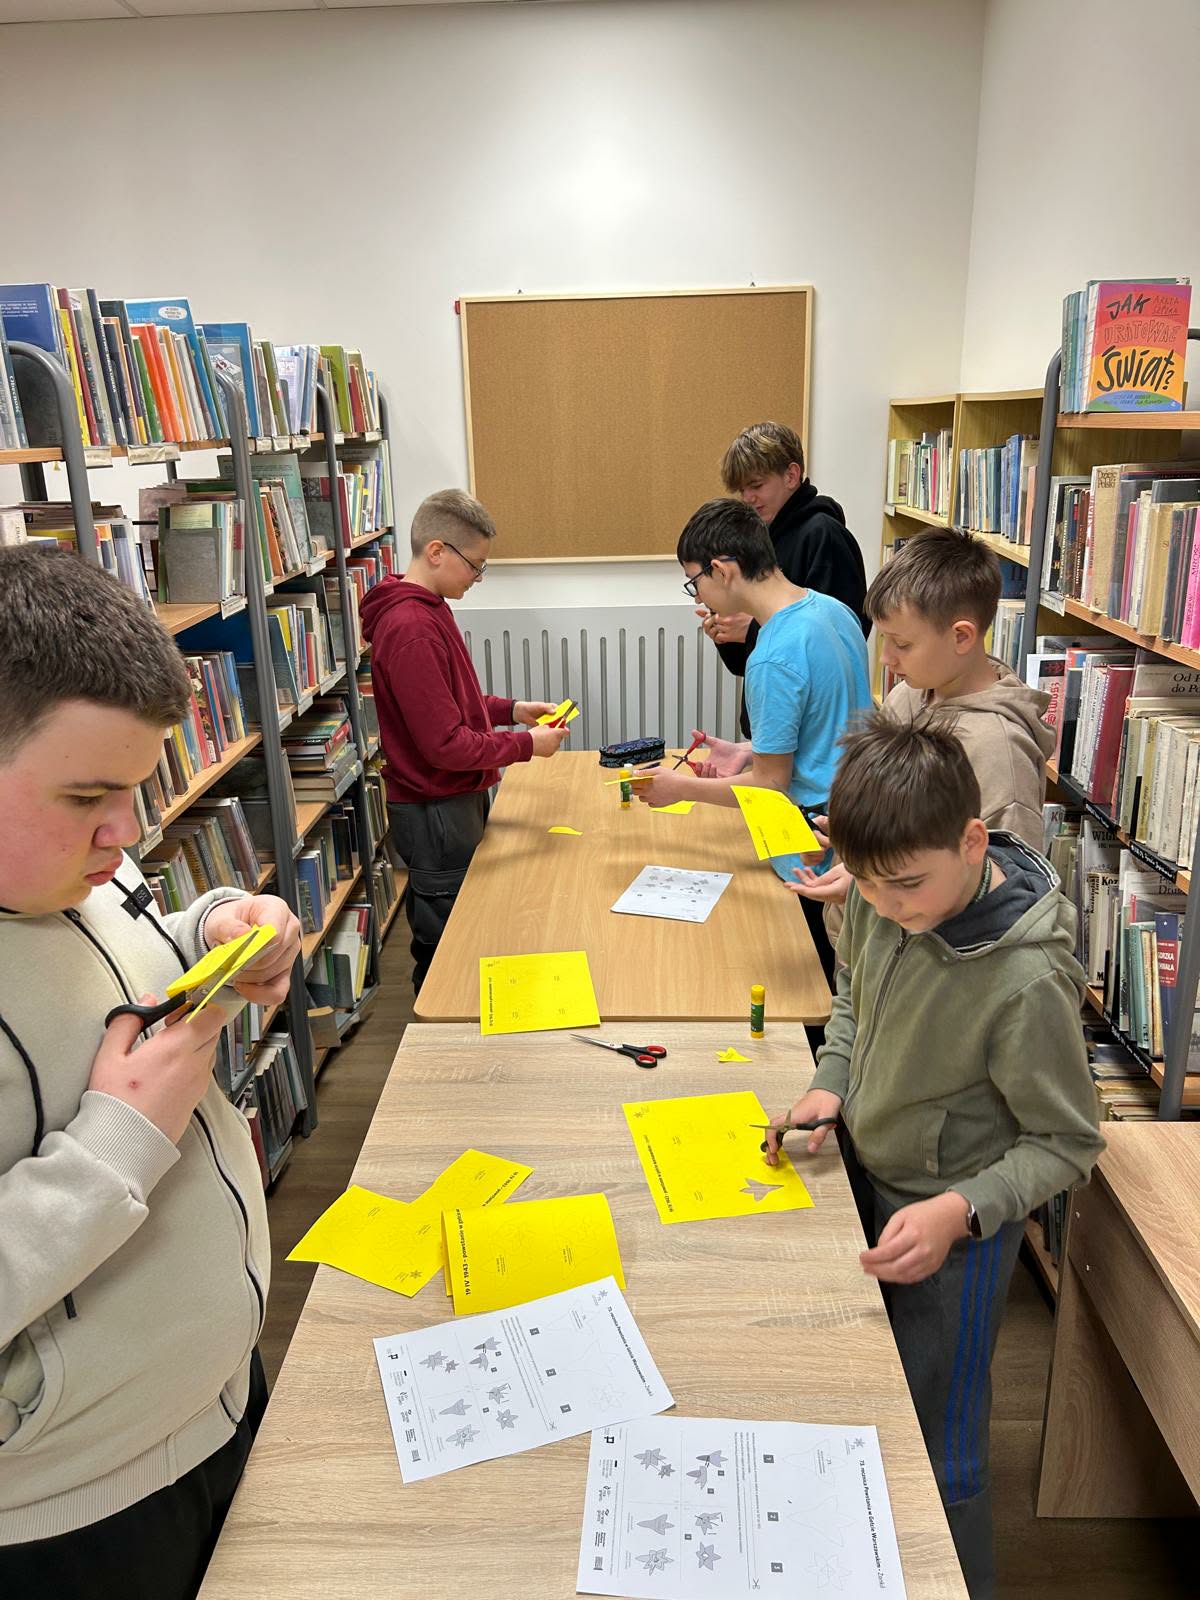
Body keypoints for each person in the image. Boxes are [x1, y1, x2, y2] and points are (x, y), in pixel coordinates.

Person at [0, 545, 302, 1600]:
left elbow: (120, 965)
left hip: (212, 1404)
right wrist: (121, 1140)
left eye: (135, 789)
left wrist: (215, 928)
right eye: (88, 794)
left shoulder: (69, 866)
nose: (124, 833)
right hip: (78, 1509)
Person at [764, 711, 1103, 1599]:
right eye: (870, 887)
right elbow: (853, 999)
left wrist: (959, 1210)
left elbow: (1069, 1142)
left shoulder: (1026, 982)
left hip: (961, 1237)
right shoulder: (887, 891)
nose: (887, 908)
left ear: (972, 841)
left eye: (906, 886)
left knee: (943, 1448)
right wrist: (832, 1082)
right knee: (875, 1401)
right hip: (871, 1183)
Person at [636, 498, 871, 1047]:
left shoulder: (771, 655)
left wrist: (679, 788)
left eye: (695, 582)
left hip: (811, 844)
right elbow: (828, 720)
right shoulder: (833, 612)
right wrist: (749, 749)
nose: (699, 596)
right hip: (857, 815)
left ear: (723, 570)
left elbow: (771, 784)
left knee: (809, 999)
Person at [790, 527, 1054, 919]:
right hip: (868, 940)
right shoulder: (908, 695)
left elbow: (1007, 902)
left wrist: (874, 886)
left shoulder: (1000, 754)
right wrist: (849, 844)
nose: (886, 659)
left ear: (961, 636)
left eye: (902, 644)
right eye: (885, 640)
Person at [361, 489, 568, 992]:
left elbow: (452, 703)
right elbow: (446, 745)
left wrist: (512, 711)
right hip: (435, 807)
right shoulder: (410, 626)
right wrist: (526, 745)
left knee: (461, 919)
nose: (478, 577)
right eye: (476, 565)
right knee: (446, 937)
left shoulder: (429, 608)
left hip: (449, 800)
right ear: (437, 551)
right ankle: (438, 1021)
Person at [701, 421, 869, 738]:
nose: (748, 498)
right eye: (741, 490)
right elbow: (746, 660)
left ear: (791, 475)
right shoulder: (761, 537)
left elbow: (838, 640)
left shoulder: (825, 536)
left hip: (813, 729)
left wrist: (751, 629)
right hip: (776, 720)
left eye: (756, 485)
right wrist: (726, 632)